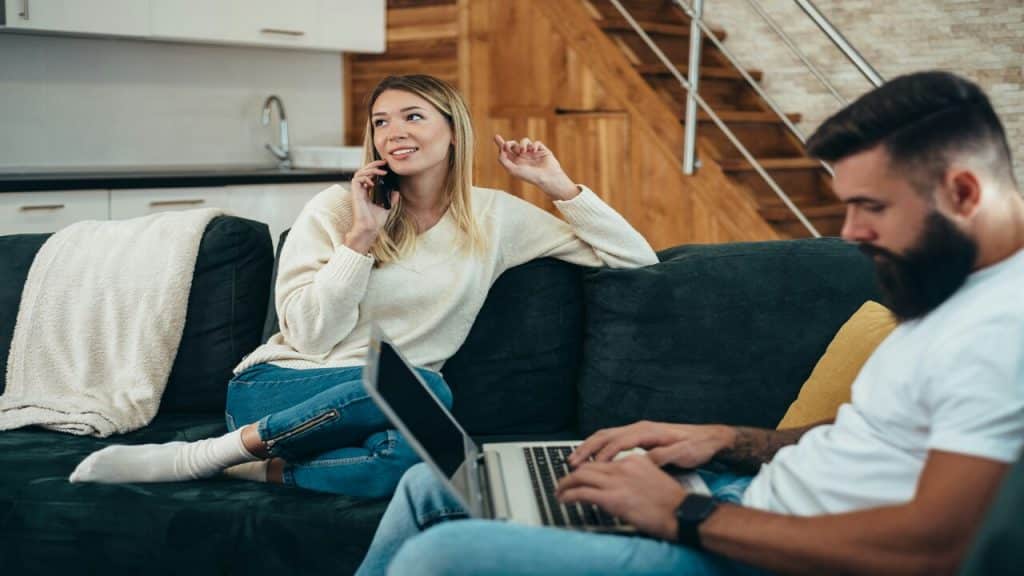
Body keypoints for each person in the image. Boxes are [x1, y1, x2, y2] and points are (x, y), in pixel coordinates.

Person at [355, 70, 1024, 575]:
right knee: (427, 484)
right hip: (747, 497)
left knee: (441, 555)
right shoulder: (946, 285)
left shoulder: (1001, 328)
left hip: (758, 547)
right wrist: (727, 438)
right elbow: (878, 437)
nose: (850, 232)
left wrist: (685, 513)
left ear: (963, 192)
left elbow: (939, 549)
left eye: (870, 206)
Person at [67, 74, 658, 497]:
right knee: (427, 393)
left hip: (395, 406)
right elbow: (311, 333)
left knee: (432, 464)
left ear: (454, 131)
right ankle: (208, 453)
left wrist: (556, 183)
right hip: (280, 387)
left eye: (412, 116)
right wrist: (360, 241)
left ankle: (247, 469)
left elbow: (634, 257)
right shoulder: (334, 209)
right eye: (380, 122)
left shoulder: (497, 218)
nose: (392, 132)